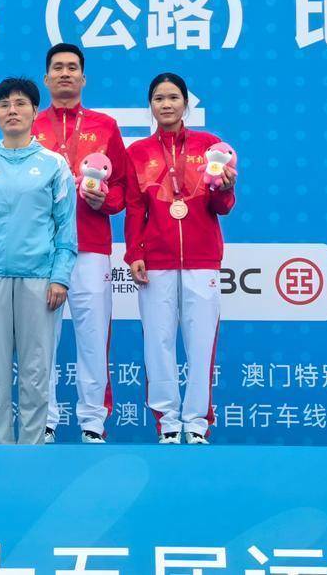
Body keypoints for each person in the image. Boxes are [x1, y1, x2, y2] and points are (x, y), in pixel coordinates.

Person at [0, 77, 77, 445]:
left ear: (35, 112)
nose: (12, 110)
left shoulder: (54, 165)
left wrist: (60, 277)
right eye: (4, 105)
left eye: (21, 103)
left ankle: (32, 451)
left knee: (36, 373)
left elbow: (66, 229)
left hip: (39, 279)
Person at [125, 72, 238, 445]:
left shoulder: (210, 146)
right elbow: (134, 209)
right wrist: (135, 252)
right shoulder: (137, 153)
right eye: (159, 98)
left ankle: (197, 422)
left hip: (202, 260)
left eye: (173, 97)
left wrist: (226, 188)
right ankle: (168, 421)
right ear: (151, 105)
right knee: (158, 343)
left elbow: (222, 206)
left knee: (201, 343)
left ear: (186, 103)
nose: (166, 104)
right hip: (156, 261)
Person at [32, 43, 128, 444]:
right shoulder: (31, 124)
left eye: (73, 67)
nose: (65, 73)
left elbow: (122, 189)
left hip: (90, 247)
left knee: (93, 338)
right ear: (46, 78)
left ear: (84, 78)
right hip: (40, 250)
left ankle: (93, 422)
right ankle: (44, 419)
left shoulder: (105, 126)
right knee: (42, 340)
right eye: (58, 67)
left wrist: (104, 200)